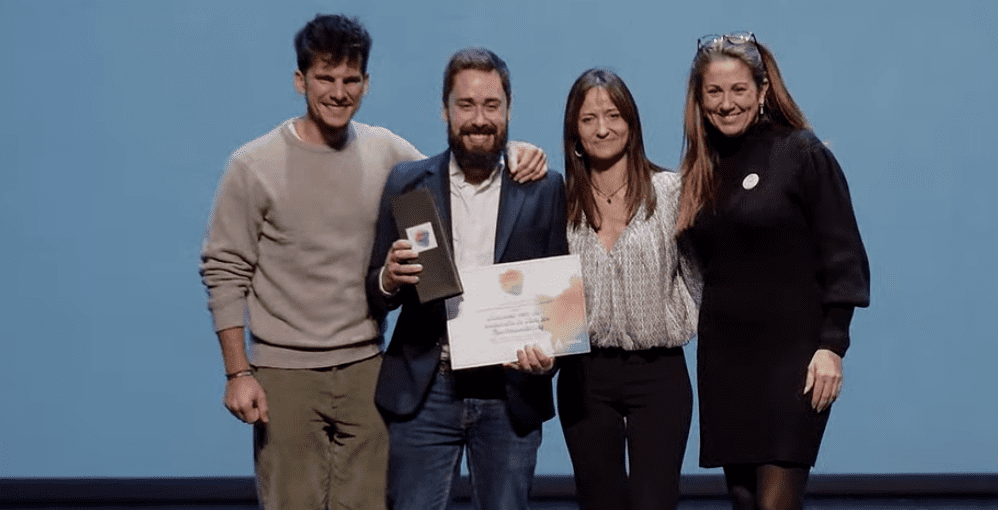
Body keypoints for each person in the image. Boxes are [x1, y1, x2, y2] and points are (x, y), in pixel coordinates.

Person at [199, 15, 546, 510]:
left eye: (350, 80)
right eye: (325, 78)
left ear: (365, 83)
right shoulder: (252, 165)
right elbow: (224, 270)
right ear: (301, 80)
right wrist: (238, 373)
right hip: (285, 372)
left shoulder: (388, 154)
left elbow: (458, 171)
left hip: (367, 368)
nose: (338, 92)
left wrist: (512, 151)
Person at [367, 47, 568, 510]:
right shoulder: (407, 183)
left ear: (508, 110)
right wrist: (389, 281)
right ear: (445, 111)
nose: (479, 119)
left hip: (510, 394)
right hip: (426, 389)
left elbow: (557, 299)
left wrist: (548, 358)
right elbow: (374, 292)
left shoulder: (543, 187)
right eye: (466, 105)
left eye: (491, 106)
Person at [677, 33, 871, 510]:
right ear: (699, 101)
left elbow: (844, 254)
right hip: (726, 363)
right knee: (744, 500)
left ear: (762, 91)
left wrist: (832, 346)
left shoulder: (801, 153)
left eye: (738, 90)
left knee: (774, 505)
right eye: (714, 93)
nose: (726, 104)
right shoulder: (700, 172)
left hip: (795, 362)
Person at [556, 68, 698, 510]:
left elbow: (699, 274)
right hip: (585, 377)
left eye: (613, 115)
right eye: (589, 119)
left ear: (632, 123)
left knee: (654, 503)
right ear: (574, 133)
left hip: (659, 375)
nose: (603, 128)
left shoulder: (673, 192)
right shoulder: (559, 203)